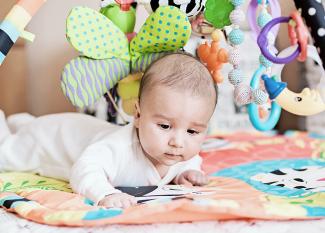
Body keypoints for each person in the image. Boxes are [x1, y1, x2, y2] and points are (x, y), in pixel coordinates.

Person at [0, 53, 218, 209]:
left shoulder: (177, 153)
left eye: (192, 132)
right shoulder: (118, 148)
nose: (178, 142)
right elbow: (84, 169)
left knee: (26, 128)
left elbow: (190, 160)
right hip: (48, 141)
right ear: (138, 115)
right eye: (164, 126)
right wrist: (106, 194)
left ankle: (22, 123)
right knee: (6, 154)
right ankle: (13, 125)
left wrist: (185, 173)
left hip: (73, 128)